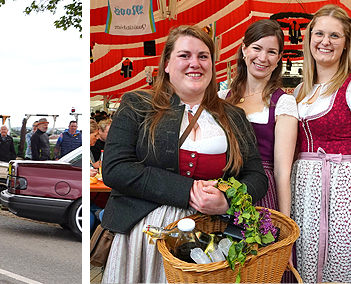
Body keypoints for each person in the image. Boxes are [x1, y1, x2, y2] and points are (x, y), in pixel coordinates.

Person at [100, 25, 267, 283]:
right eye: (184, 55)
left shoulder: (233, 116)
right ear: (167, 64)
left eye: (203, 56)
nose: (195, 63)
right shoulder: (138, 104)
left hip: (214, 237)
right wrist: (187, 191)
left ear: (212, 64)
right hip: (148, 233)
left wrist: (228, 200)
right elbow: (115, 168)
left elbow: (255, 175)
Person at [292, 5, 351, 282]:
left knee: (340, 270)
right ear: (309, 39)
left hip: (342, 194)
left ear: (346, 44)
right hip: (304, 198)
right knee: (306, 270)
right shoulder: (299, 91)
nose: (325, 42)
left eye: (334, 36)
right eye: (319, 34)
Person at [219, 19, 297, 216]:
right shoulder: (222, 98)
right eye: (257, 48)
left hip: (262, 192)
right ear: (244, 49)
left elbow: (282, 172)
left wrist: (285, 221)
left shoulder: (283, 103)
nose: (263, 57)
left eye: (271, 52)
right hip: (223, 191)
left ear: (279, 57)